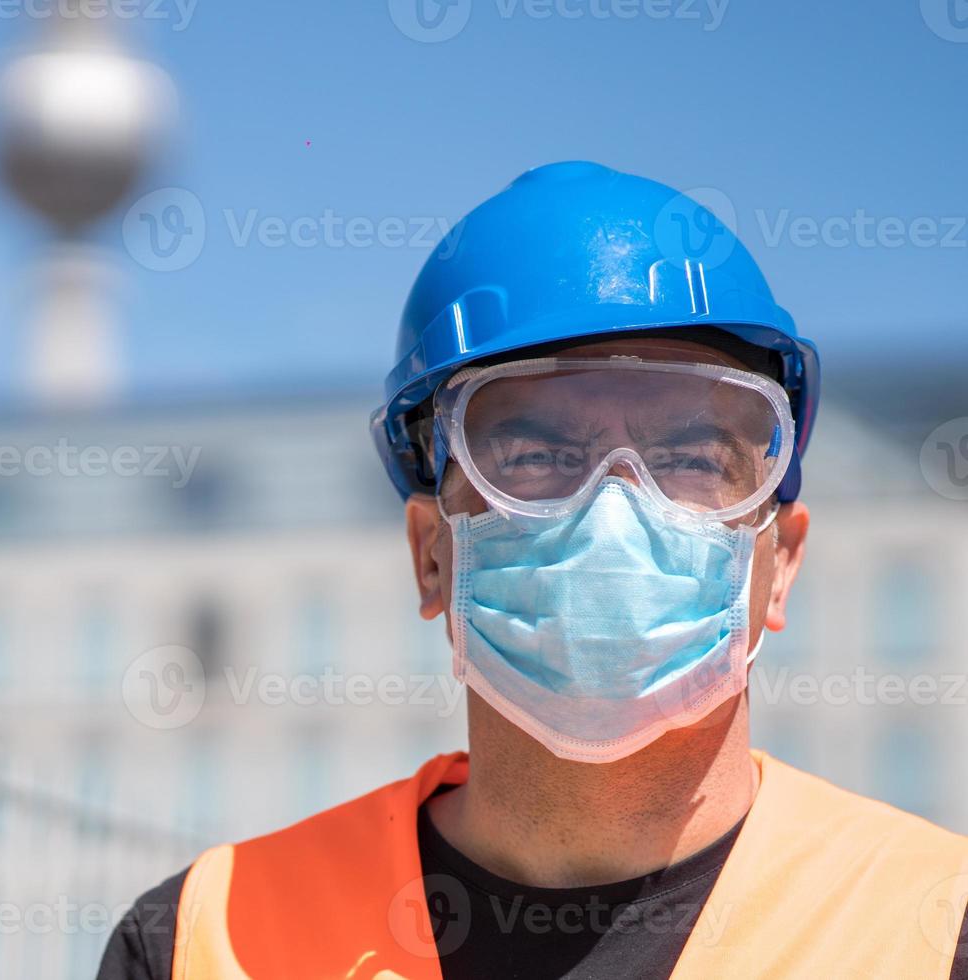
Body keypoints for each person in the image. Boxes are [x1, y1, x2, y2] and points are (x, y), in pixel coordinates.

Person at [98, 162, 968, 979]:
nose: (616, 510)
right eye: (535, 451)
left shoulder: (935, 928)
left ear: (780, 564)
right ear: (430, 554)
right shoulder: (203, 941)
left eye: (694, 455)